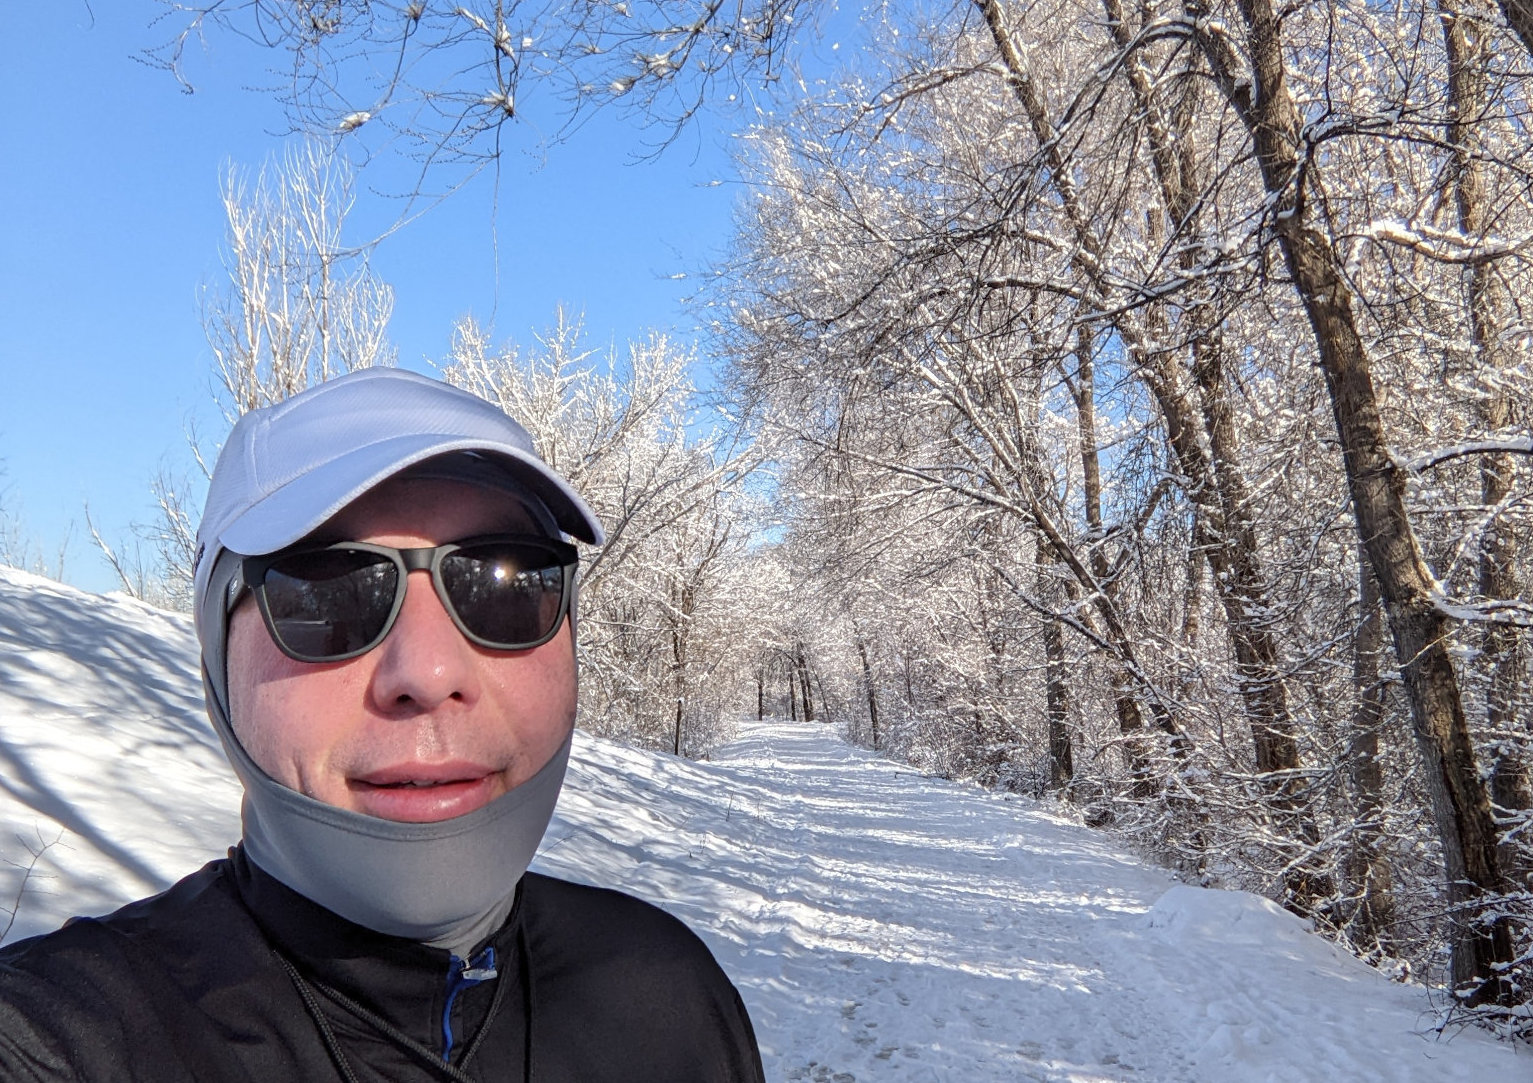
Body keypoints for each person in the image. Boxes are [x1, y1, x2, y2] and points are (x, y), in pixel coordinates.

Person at [0, 368, 765, 1082]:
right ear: (217, 662)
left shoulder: (668, 992)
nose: (429, 673)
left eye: (505, 583)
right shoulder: (76, 1035)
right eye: (326, 593)